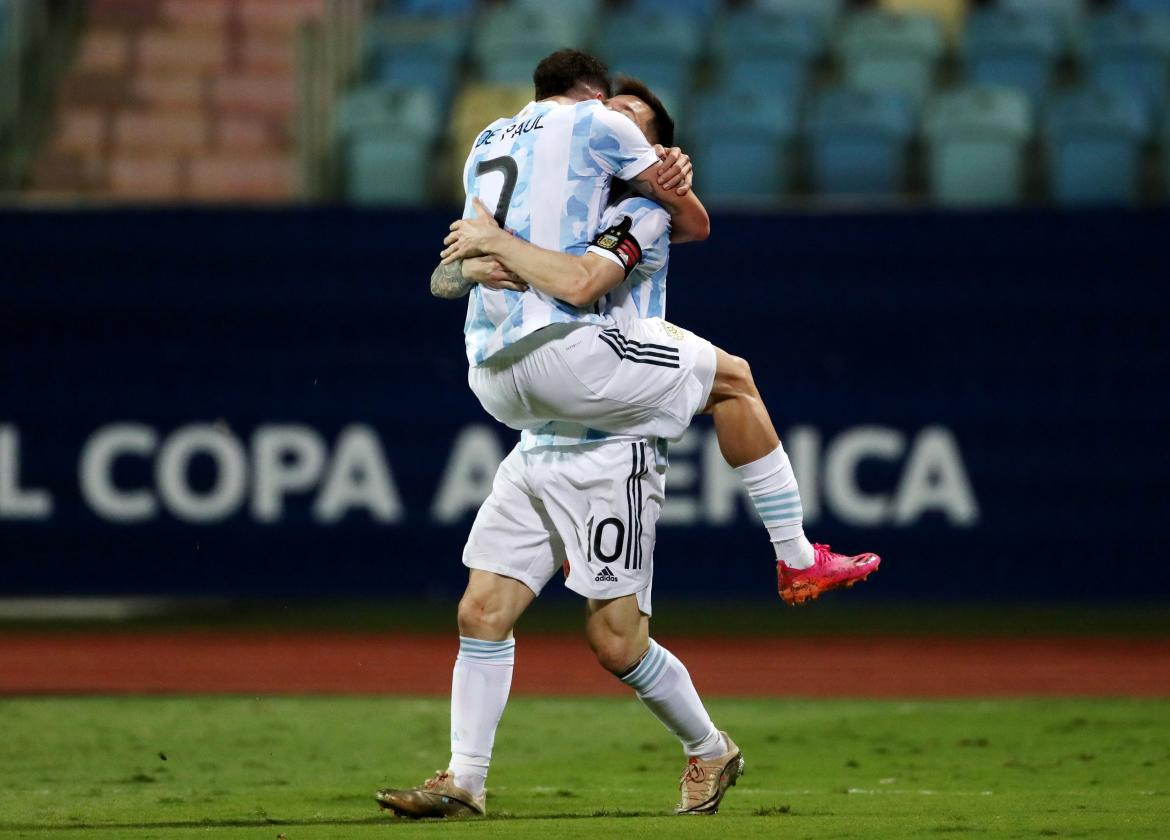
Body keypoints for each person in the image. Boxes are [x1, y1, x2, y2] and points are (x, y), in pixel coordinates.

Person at [376, 58, 878, 820]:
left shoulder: (641, 213)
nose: (613, 127)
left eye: (635, 124)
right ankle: (464, 780)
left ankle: (723, 716)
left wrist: (499, 251)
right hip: (543, 436)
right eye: (612, 111)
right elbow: (449, 278)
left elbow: (584, 283)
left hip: (613, 436)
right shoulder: (550, 205)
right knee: (480, 612)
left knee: (616, 641)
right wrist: (483, 257)